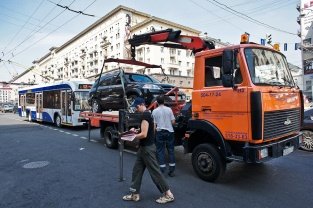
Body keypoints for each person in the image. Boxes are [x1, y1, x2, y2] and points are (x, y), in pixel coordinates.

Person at [122, 97, 174, 204]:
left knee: (155, 172)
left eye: (136, 107)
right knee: (137, 170)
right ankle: (134, 194)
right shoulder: (150, 114)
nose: (136, 109)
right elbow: (152, 129)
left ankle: (168, 195)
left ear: (141, 104)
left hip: (147, 149)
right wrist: (137, 130)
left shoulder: (145, 115)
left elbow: (144, 134)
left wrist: (132, 136)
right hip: (145, 148)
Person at [152, 95, 176, 177]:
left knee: (160, 151)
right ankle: (171, 170)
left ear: (157, 102)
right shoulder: (169, 109)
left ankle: (162, 170)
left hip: (160, 132)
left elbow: (154, 125)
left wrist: (154, 135)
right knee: (171, 150)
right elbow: (173, 122)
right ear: (164, 101)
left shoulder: (154, 111)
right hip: (170, 132)